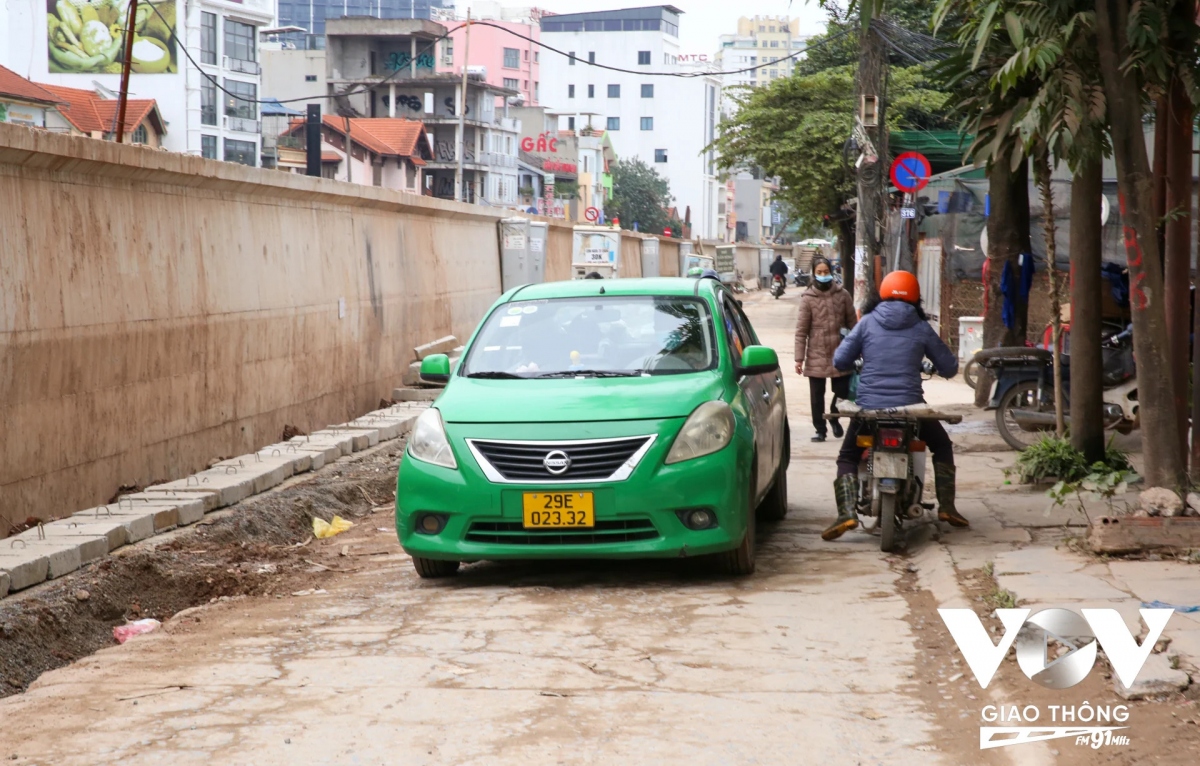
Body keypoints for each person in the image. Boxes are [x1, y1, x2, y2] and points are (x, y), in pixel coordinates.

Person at [821, 270, 968, 541]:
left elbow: (840, 361)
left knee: (848, 457)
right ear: (916, 298)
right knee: (942, 445)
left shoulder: (866, 323)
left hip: (869, 409)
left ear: (882, 294)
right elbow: (949, 367)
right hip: (910, 408)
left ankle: (846, 513)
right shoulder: (922, 327)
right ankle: (947, 506)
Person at [794, 257, 856, 442]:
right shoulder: (808, 298)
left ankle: (834, 417)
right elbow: (801, 331)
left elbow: (854, 326)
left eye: (825, 271)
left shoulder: (843, 295)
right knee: (816, 397)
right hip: (816, 353)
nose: (823, 275)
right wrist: (799, 359)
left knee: (842, 391)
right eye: (819, 272)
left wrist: (859, 350)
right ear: (814, 274)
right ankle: (820, 429)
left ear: (831, 272)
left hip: (841, 352)